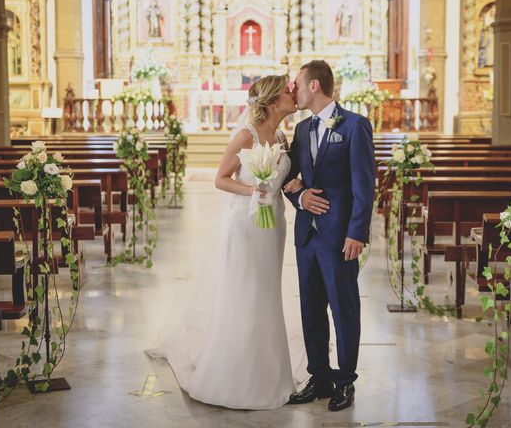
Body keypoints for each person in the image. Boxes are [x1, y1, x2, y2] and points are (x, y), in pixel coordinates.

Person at [146, 75, 305, 409]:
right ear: (273, 100)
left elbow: (285, 176)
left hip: (273, 224)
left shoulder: (280, 134)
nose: (294, 93)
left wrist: (295, 184)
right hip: (246, 225)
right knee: (244, 292)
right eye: (287, 91)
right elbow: (221, 179)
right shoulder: (246, 135)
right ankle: (235, 373)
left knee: (266, 292)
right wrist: (254, 190)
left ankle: (269, 370)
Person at [284, 59, 376, 411]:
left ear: (314, 86)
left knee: (343, 307)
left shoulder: (354, 126)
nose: (292, 89)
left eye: (296, 83)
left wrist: (357, 233)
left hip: (339, 236)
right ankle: (319, 376)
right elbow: (290, 178)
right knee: (310, 308)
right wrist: (300, 196)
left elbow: (364, 186)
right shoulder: (302, 129)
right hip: (307, 234)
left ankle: (345, 380)